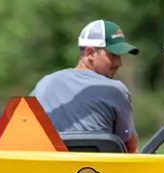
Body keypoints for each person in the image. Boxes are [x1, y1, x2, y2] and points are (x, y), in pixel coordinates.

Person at [31, 19, 140, 152]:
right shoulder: (115, 90)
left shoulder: (45, 83)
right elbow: (130, 147)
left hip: (50, 165)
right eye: (113, 55)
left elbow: (25, 129)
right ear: (90, 53)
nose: (119, 63)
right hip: (99, 166)